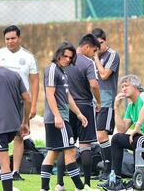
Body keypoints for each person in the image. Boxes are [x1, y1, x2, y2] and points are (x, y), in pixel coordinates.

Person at [0, 25, 39, 190]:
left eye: (13, 38)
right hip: (12, 113)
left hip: (8, 110)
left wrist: (32, 108)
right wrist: (25, 119)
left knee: (4, 152)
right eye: (7, 38)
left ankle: (11, 175)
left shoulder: (28, 57)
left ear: (19, 38)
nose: (10, 41)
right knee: (3, 148)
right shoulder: (5, 62)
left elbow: (34, 82)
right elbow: (27, 97)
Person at [40, 41, 98, 191]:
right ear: (58, 54)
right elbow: (49, 94)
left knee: (53, 153)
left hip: (60, 117)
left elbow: (67, 96)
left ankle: (44, 188)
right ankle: (80, 187)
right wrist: (57, 116)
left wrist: (78, 114)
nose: (67, 59)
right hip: (58, 119)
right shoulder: (52, 70)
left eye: (70, 57)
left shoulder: (62, 72)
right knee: (70, 150)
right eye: (64, 56)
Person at [55, 34, 101, 191]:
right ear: (87, 47)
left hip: (66, 107)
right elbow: (94, 85)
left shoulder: (64, 61)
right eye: (94, 51)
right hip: (84, 106)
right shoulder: (87, 63)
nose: (93, 55)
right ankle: (86, 185)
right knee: (85, 145)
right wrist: (99, 102)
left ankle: (59, 183)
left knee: (65, 145)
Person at [91, 28, 120, 180]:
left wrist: (95, 58)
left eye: (100, 43)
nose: (98, 47)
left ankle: (109, 171)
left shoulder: (112, 55)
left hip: (106, 100)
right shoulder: (89, 57)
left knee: (102, 134)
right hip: (93, 101)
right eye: (95, 45)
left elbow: (104, 74)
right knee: (98, 135)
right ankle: (105, 170)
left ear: (105, 41)